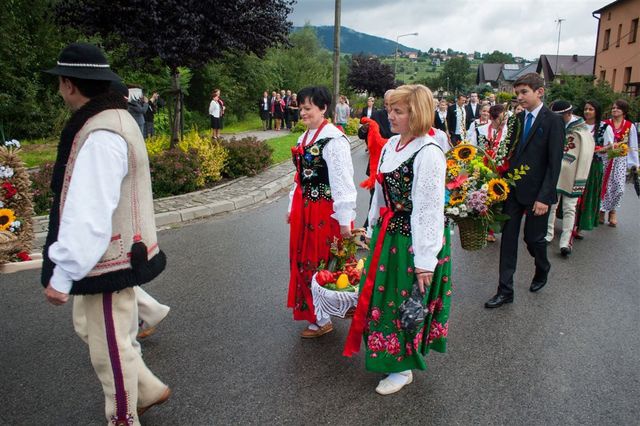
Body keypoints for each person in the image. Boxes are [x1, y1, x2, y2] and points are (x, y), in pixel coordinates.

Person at [41, 42, 170, 425]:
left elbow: (89, 212)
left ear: (68, 84)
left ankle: (123, 417)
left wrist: (62, 274)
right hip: (114, 252)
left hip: (109, 256)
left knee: (109, 347)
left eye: (59, 83)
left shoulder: (101, 133)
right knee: (92, 328)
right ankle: (146, 389)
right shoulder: (117, 118)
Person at [343, 84, 451, 396]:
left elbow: (429, 209)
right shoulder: (392, 145)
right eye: (390, 109)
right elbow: (380, 192)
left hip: (413, 240)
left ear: (416, 114)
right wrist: (372, 226)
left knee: (403, 301)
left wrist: (425, 262)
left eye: (398, 111)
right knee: (382, 297)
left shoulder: (429, 153)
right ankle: (392, 360)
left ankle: (402, 366)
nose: (390, 115)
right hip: (390, 233)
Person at [485, 73, 564, 309]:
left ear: (539, 92)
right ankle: (505, 290)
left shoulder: (553, 121)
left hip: (538, 194)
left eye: (524, 93)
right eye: (517, 93)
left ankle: (543, 266)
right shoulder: (517, 119)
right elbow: (509, 153)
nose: (519, 98)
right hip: (513, 190)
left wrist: (544, 197)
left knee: (533, 239)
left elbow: (554, 162)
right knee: (508, 241)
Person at [287, 86, 357, 338]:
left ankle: (323, 316)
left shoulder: (333, 139)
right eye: (301, 108)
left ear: (323, 108)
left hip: (323, 211)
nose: (302, 113)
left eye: (308, 108)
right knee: (302, 258)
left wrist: (344, 218)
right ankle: (317, 312)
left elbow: (343, 181)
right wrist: (290, 207)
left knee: (319, 261)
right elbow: (298, 177)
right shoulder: (304, 138)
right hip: (304, 207)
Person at [545, 100, 595, 256]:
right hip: (555, 172)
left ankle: (565, 242)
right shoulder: (557, 125)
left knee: (569, 207)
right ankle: (548, 234)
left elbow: (586, 155)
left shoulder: (582, 130)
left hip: (572, 175)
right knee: (552, 204)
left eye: (560, 116)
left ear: (568, 114)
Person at [576, 100, 613, 235]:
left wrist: (599, 150)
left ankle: (581, 225)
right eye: (586, 109)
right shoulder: (579, 126)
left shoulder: (604, 127)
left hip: (593, 165)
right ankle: (572, 222)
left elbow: (610, 146)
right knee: (575, 193)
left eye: (591, 109)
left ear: (596, 111)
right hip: (578, 162)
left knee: (588, 195)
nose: (587, 112)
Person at [600, 99, 639, 226]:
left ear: (624, 111)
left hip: (621, 159)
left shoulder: (629, 126)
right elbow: (600, 142)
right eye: (613, 108)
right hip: (606, 158)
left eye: (618, 108)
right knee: (604, 185)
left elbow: (632, 145)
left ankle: (613, 210)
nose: (614, 110)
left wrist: (634, 164)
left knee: (619, 187)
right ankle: (601, 211)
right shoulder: (605, 124)